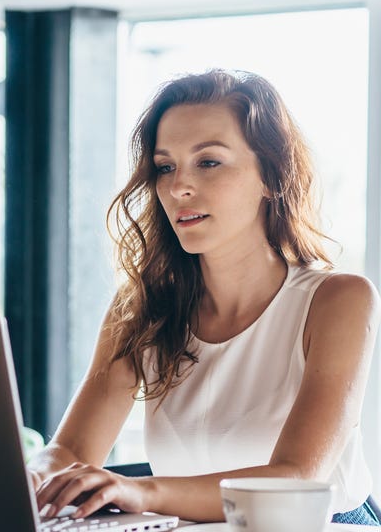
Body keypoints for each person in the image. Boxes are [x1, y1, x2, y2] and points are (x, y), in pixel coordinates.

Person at [27, 69, 380, 525]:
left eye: (209, 162)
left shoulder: (339, 300)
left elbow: (294, 479)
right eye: (165, 166)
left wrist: (141, 491)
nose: (178, 188)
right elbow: (70, 450)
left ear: (271, 176)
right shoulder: (141, 307)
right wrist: (28, 478)